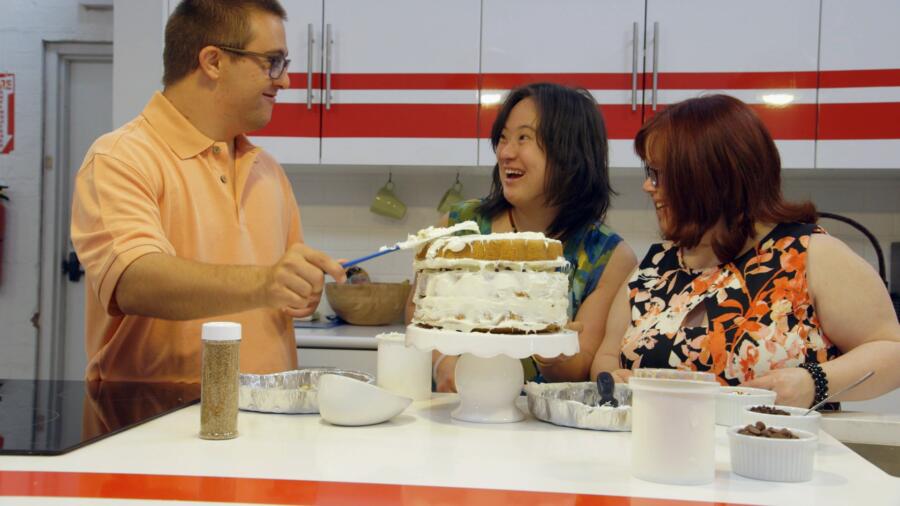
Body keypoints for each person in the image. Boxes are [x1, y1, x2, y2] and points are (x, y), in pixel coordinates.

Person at [70, 0, 345, 382]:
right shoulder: (120, 158)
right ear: (213, 61)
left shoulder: (268, 171)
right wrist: (266, 282)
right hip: (151, 427)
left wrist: (298, 288)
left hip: (266, 420)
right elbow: (135, 281)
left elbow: (279, 287)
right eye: (272, 62)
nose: (284, 81)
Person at [590, 94, 900, 408]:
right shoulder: (654, 268)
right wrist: (612, 379)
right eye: (650, 173)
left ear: (712, 178)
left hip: (775, 452)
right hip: (657, 450)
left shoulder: (810, 256)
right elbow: (608, 355)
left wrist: (814, 382)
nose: (648, 186)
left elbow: (891, 348)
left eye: (660, 174)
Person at [407, 82, 637, 392]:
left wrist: (550, 348)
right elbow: (419, 308)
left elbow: (581, 364)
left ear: (569, 152)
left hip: (542, 429)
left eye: (523, 138)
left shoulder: (607, 257)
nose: (505, 152)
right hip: (453, 414)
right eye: (503, 138)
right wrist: (443, 364)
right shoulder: (461, 227)